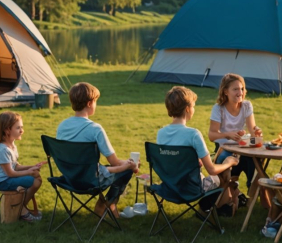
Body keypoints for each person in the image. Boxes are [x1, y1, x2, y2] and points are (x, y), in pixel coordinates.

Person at [55, 82, 138, 219]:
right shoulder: (95, 129)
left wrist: (127, 163)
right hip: (90, 181)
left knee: (123, 167)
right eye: (95, 101)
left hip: (69, 178)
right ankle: (106, 204)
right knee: (127, 170)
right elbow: (114, 162)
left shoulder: (62, 126)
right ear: (89, 104)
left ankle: (107, 205)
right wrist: (129, 165)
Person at [157, 86, 239, 214]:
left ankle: (208, 209)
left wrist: (192, 161)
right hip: (191, 189)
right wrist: (229, 162)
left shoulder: (161, 133)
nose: (194, 109)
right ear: (187, 109)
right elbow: (211, 169)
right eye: (193, 106)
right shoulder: (193, 134)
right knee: (220, 177)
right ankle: (207, 210)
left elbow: (171, 158)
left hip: (169, 187)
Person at [208, 73, 263, 197]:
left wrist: (257, 132)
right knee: (232, 159)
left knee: (258, 155)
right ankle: (229, 194)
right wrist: (228, 135)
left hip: (243, 144)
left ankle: (253, 191)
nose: (240, 92)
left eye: (242, 89)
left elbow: (253, 131)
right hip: (225, 149)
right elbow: (211, 135)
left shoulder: (247, 105)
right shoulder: (218, 109)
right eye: (236, 89)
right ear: (225, 91)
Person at [0, 111, 44, 223]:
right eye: (18, 128)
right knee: (33, 179)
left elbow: (16, 166)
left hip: (7, 178)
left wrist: (32, 167)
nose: (22, 131)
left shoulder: (12, 145)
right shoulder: (3, 150)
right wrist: (29, 172)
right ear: (7, 130)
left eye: (21, 127)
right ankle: (21, 210)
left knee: (36, 177)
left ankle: (20, 208)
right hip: (2, 181)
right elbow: (10, 173)